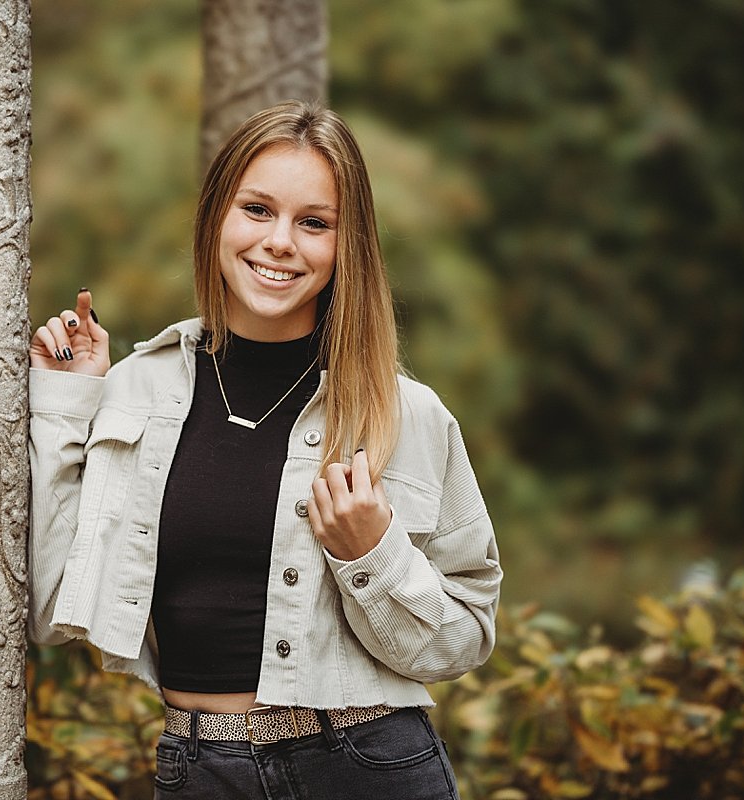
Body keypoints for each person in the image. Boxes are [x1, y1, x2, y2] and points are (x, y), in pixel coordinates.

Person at [27, 101, 501, 800]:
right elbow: (47, 609)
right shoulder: (132, 391)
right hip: (199, 771)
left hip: (366, 766)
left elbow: (467, 635)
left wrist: (373, 554)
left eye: (314, 223)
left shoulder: (407, 414)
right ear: (217, 216)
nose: (281, 242)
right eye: (257, 210)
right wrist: (68, 405)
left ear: (347, 245)